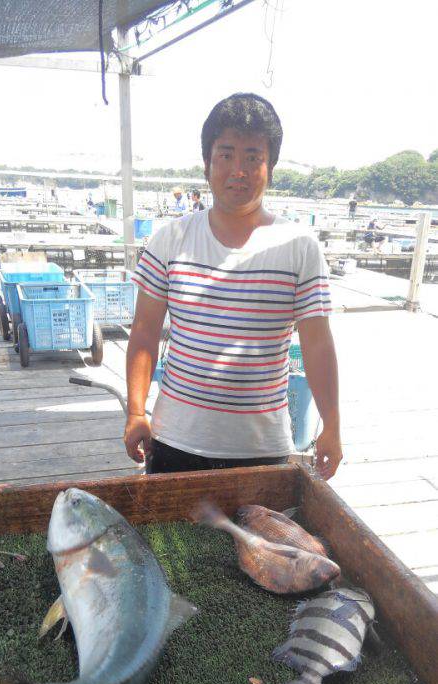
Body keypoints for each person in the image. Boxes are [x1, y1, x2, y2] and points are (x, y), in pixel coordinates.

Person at [125, 93, 342, 481]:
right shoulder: (170, 239)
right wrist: (136, 411)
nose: (238, 170)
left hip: (261, 449)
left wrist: (333, 425)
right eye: (225, 155)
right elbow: (144, 333)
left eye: (252, 157)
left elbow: (318, 344)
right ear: (207, 163)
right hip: (175, 441)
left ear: (270, 167)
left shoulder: (299, 247)